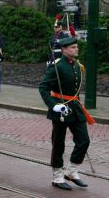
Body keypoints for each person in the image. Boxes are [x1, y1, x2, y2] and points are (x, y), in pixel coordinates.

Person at [39, 37, 94, 191]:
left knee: (83, 140)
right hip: (60, 110)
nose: (76, 49)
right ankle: (57, 176)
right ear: (64, 50)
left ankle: (71, 170)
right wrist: (54, 105)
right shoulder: (57, 66)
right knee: (58, 144)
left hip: (75, 108)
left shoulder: (77, 65)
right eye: (73, 47)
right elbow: (43, 88)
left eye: (76, 47)